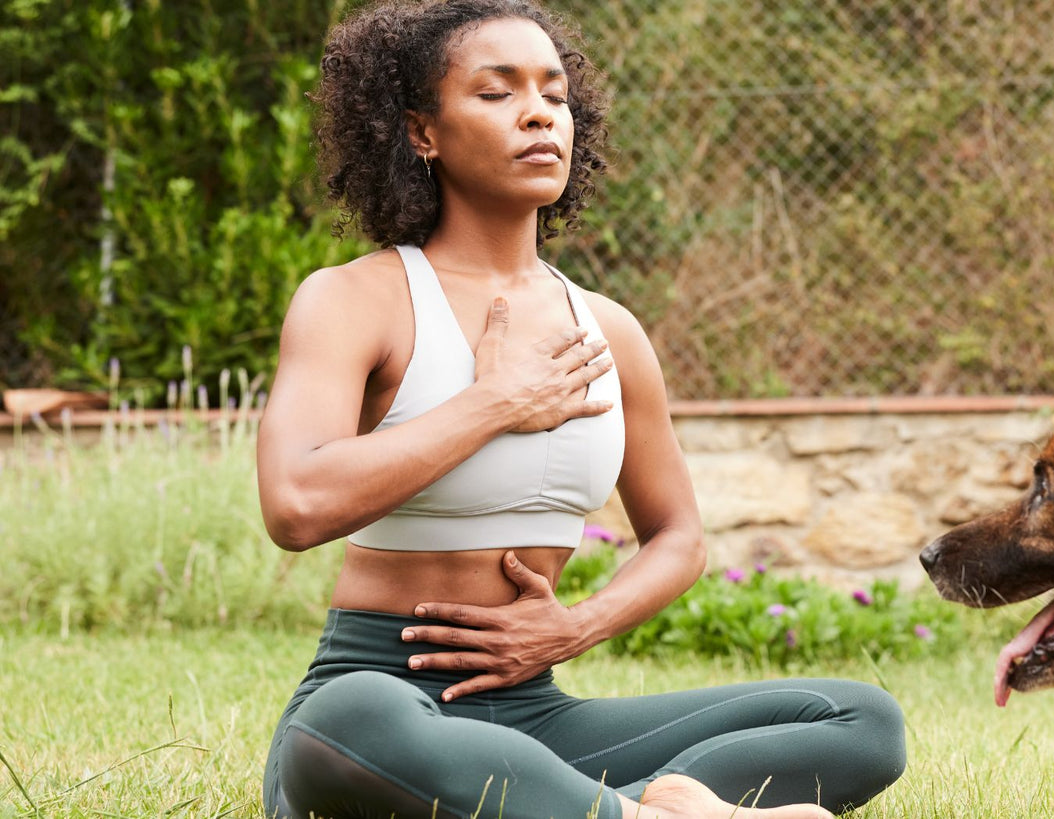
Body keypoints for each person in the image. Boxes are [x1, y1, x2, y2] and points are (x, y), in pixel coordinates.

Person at [253, 2, 907, 817]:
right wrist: (493, 402)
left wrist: (576, 627)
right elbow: (297, 502)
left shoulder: (610, 331)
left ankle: (599, 808)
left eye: (553, 95)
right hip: (387, 699)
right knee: (347, 722)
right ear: (422, 131)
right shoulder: (356, 298)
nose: (538, 112)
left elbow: (680, 536)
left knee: (861, 720)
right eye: (496, 93)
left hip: (538, 716)